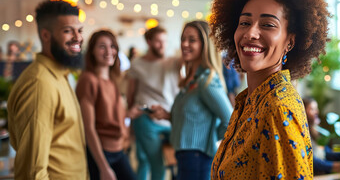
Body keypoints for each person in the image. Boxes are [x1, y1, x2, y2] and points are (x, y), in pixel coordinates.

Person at [208, 0, 329, 179]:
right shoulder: (249, 101)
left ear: (290, 42)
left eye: (267, 25)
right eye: (244, 22)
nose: (251, 33)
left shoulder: (278, 109)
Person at [7, 0, 88, 179]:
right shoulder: (39, 85)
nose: (78, 38)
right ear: (46, 35)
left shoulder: (61, 75)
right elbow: (32, 172)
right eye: (68, 31)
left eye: (80, 30)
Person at [151, 20, 233, 180]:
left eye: (192, 40)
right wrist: (168, 116)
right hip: (186, 156)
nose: (185, 44)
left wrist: (207, 138)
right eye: (183, 39)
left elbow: (229, 120)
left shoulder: (206, 81)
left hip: (197, 159)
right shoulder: (192, 79)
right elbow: (194, 119)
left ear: (205, 45)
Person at [76, 30, 136, 180]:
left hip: (118, 149)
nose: (109, 51)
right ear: (92, 52)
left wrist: (131, 113)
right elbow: (88, 128)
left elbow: (109, 116)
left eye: (112, 46)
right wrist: (103, 167)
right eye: (102, 46)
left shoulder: (112, 80)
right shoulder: (88, 80)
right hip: (100, 153)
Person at [126, 26, 181, 180]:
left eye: (165, 41)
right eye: (158, 41)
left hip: (169, 118)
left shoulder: (173, 62)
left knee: (178, 158)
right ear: (149, 42)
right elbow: (131, 94)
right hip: (145, 118)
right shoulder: (137, 63)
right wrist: (131, 122)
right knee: (151, 163)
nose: (162, 45)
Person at [302, 97, 340, 175]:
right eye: (312, 109)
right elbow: (309, 159)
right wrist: (332, 166)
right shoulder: (303, 134)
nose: (316, 112)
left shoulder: (316, 130)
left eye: (316, 109)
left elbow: (324, 152)